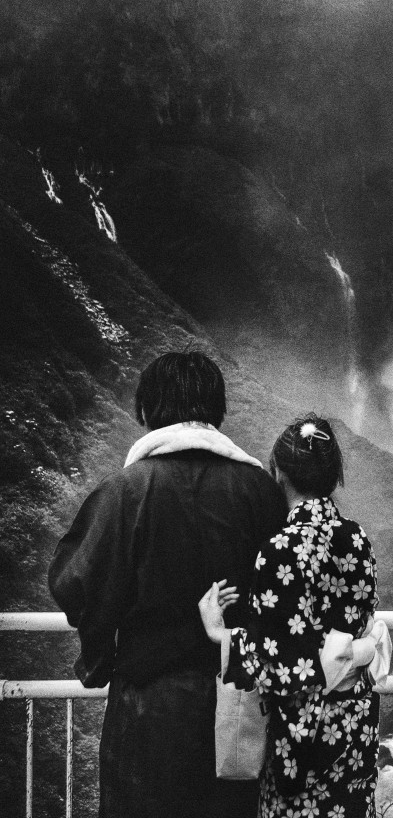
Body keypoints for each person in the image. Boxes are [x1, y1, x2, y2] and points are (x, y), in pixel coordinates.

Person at [48, 351, 287, 818]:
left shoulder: (126, 489)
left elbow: (76, 580)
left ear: (148, 412)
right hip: (236, 705)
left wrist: (100, 655)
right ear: (217, 410)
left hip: (148, 704)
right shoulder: (259, 491)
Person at [199, 414, 391, 818]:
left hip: (304, 735)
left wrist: (222, 634)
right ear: (332, 473)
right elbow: (363, 621)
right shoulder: (357, 538)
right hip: (354, 723)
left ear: (279, 472)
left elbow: (280, 660)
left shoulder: (279, 549)